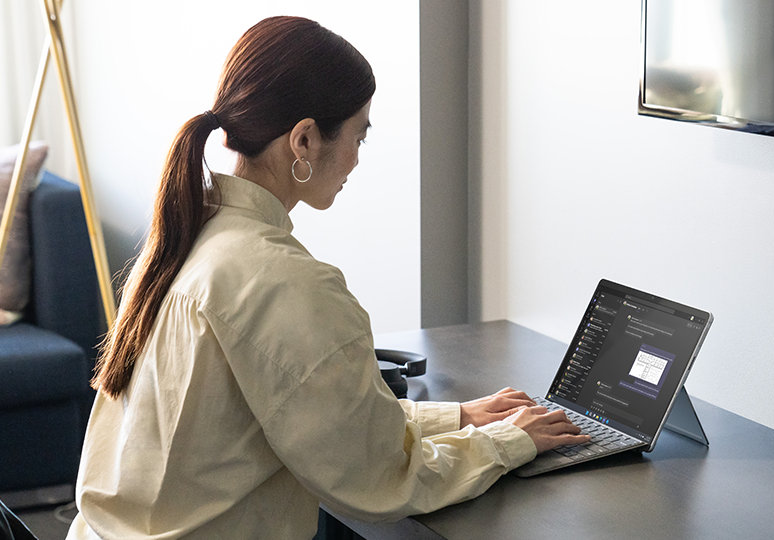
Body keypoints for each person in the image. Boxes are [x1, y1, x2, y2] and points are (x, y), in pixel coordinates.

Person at [67, 16, 588, 539]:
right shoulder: (283, 282)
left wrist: (456, 417)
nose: (357, 160)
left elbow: (319, 423)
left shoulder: (180, 243)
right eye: (359, 136)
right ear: (304, 140)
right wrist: (507, 442)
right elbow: (377, 476)